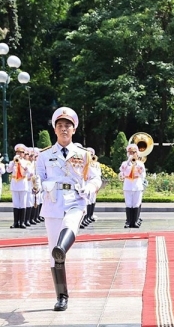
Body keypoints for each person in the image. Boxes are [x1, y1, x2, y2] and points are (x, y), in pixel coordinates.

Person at [36, 106, 102, 311]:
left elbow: (95, 178)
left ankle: (62, 248)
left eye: (67, 126)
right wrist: (37, 184)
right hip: (53, 201)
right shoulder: (44, 155)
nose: (64, 129)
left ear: (74, 130)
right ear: (55, 130)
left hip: (75, 199)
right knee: (53, 255)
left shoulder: (83, 154)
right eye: (60, 126)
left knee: (71, 224)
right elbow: (39, 176)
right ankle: (62, 296)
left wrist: (90, 187)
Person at [119, 144, 146, 228]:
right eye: (130, 152)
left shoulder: (140, 163)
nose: (132, 154)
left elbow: (143, 174)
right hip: (128, 185)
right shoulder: (125, 163)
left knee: (136, 204)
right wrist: (128, 161)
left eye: (133, 152)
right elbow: (122, 171)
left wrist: (138, 169)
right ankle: (128, 222)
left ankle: (134, 222)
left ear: (136, 153)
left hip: (137, 185)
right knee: (128, 204)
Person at [7, 143, 31, 229]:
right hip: (15, 184)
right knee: (16, 204)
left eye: (21, 152)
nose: (19, 154)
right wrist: (13, 163)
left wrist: (20, 162)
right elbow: (8, 170)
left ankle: (22, 222)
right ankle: (15, 222)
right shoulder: (12, 162)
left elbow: (30, 172)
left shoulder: (26, 162)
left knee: (23, 203)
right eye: (17, 152)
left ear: (24, 153)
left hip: (23, 184)